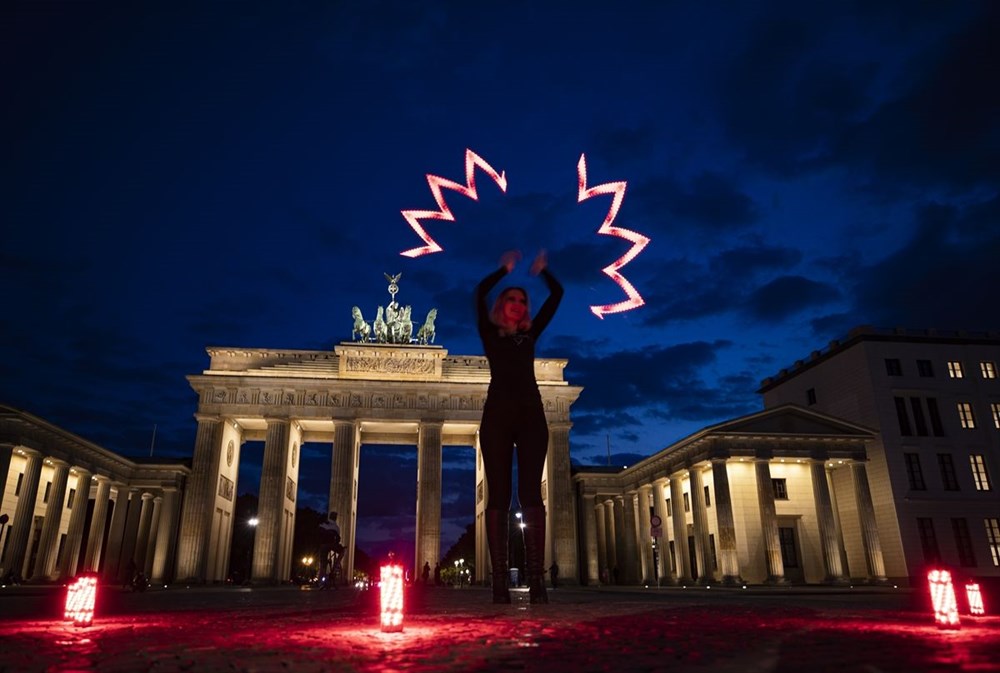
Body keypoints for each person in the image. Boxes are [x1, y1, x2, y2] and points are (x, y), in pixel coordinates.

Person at [476, 249, 563, 604]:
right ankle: (499, 582)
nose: (516, 302)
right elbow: (479, 293)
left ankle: (537, 580)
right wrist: (502, 270)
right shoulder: (489, 333)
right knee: (498, 495)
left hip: (531, 416)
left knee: (531, 494)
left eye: (522, 299)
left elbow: (557, 296)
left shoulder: (530, 336)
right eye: (510, 298)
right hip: (496, 416)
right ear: (501, 305)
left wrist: (543, 271)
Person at [318, 511, 343, 589]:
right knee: (342, 551)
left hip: (323, 546)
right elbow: (338, 539)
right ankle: (335, 566)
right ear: (335, 518)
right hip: (332, 546)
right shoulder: (336, 527)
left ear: (329, 517)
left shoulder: (322, 524)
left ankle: (321, 583)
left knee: (323, 564)